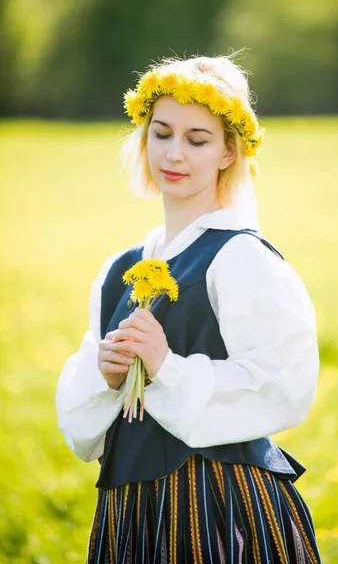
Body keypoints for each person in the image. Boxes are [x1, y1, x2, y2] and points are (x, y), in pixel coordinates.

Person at [56, 55, 321, 563]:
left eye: (197, 140)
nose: (174, 154)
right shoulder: (120, 270)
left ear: (227, 152)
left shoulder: (240, 256)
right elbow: (83, 424)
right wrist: (106, 378)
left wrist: (167, 368)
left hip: (219, 507)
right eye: (162, 133)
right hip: (129, 512)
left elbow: (284, 383)